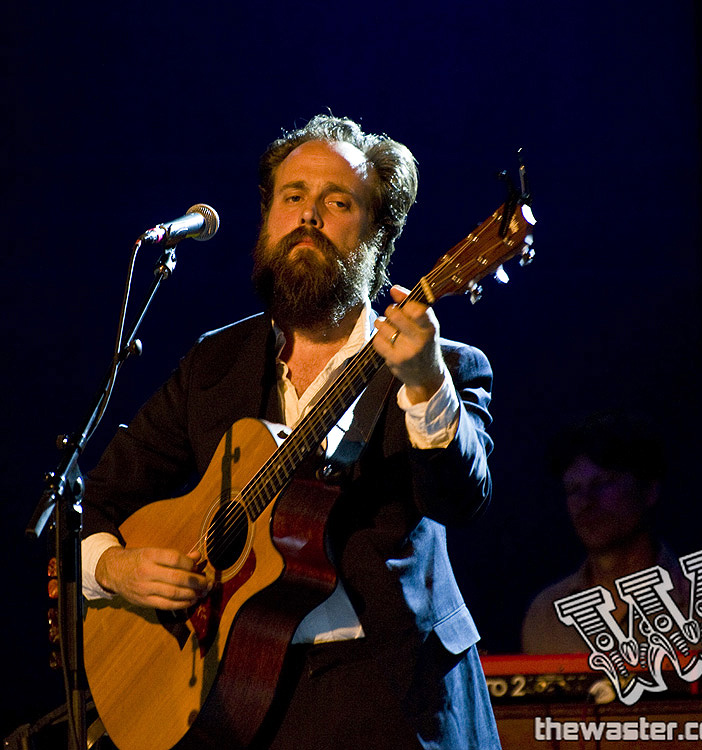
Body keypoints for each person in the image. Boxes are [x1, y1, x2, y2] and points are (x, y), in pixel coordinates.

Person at [81, 114, 501, 750]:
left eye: (338, 202)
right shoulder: (215, 364)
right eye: (292, 196)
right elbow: (100, 494)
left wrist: (424, 383)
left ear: (379, 233)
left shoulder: (442, 366)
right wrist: (114, 568)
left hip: (394, 697)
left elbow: (462, 499)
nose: (308, 215)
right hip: (232, 699)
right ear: (268, 216)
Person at [521, 410, 702, 665]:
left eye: (602, 483)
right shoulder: (546, 616)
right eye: (573, 489)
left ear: (650, 490)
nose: (585, 502)